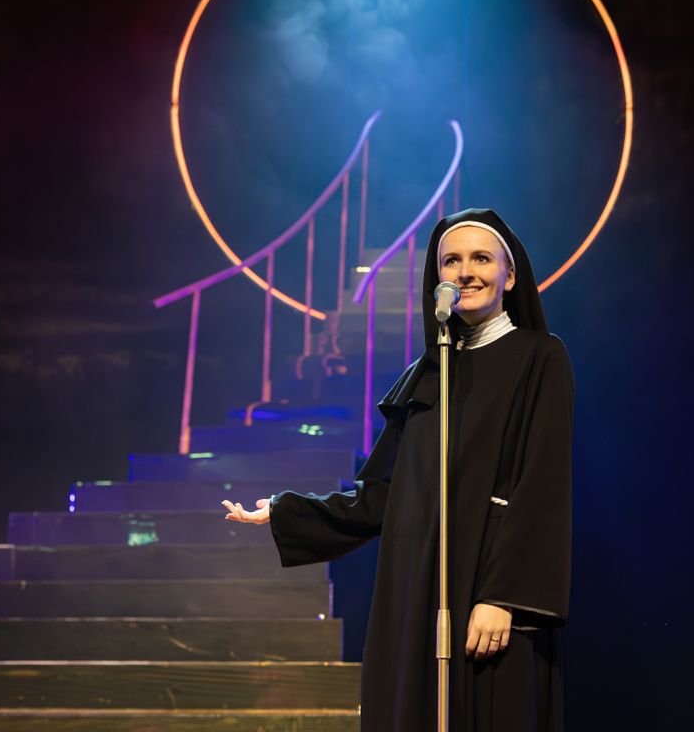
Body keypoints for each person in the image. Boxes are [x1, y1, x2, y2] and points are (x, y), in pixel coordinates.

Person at [223, 208, 574, 731]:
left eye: (482, 258)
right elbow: (383, 494)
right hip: (417, 589)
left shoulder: (539, 357)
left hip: (491, 585)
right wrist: (287, 511)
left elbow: (541, 485)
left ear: (510, 276)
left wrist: (504, 598)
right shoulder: (428, 372)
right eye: (451, 261)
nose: (465, 272)